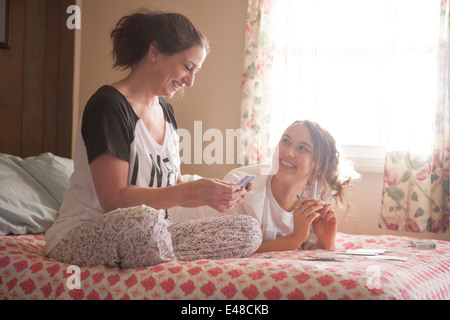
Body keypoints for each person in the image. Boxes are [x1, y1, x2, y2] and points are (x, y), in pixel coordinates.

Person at [44, 9, 261, 269]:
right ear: (155, 51)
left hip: (152, 234)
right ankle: (164, 265)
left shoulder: (167, 112)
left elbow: (173, 186)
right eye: (187, 67)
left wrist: (212, 195)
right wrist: (191, 190)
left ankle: (158, 254)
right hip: (85, 234)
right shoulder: (109, 104)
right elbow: (114, 200)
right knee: (145, 222)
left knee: (247, 230)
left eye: (196, 71)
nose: (191, 81)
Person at [223, 120, 358, 252]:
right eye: (286, 141)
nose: (288, 152)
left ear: (320, 166)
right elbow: (228, 249)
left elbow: (310, 255)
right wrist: (295, 239)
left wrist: (325, 241)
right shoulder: (240, 184)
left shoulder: (319, 193)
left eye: (302, 148)